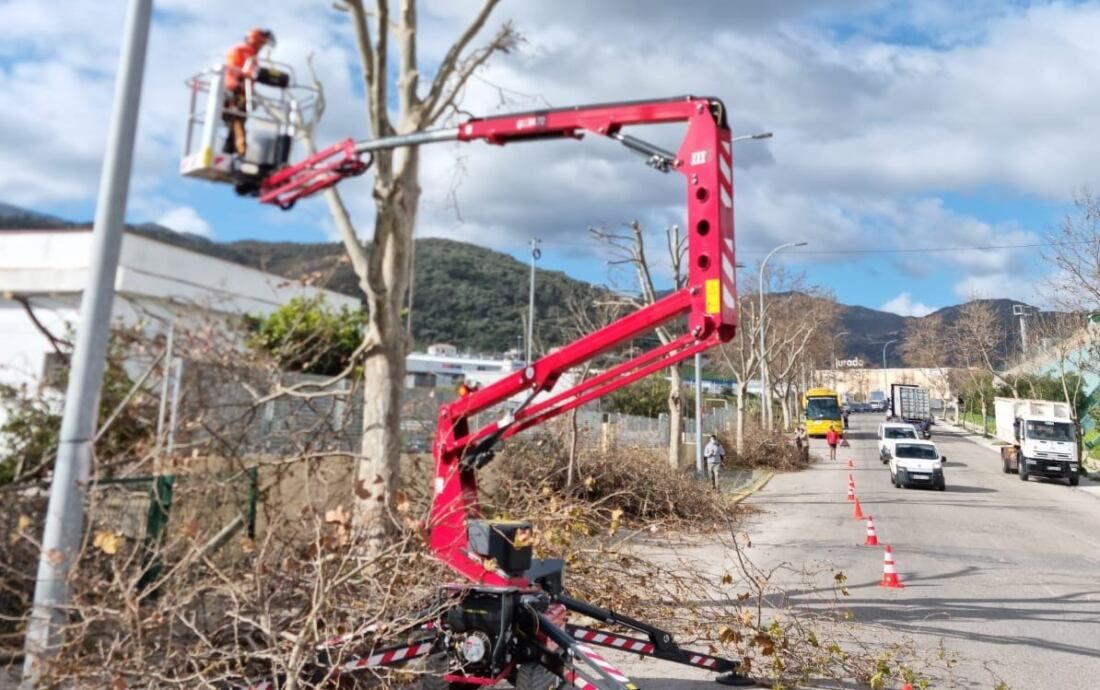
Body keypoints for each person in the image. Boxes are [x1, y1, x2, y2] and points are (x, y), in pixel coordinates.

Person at [223, 28, 276, 156]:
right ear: (256, 40)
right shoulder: (240, 50)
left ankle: (231, 150)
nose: (262, 47)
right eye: (262, 44)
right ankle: (239, 151)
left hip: (242, 91)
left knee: (238, 121)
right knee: (237, 120)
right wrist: (237, 85)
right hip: (235, 91)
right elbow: (231, 69)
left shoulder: (252, 55)